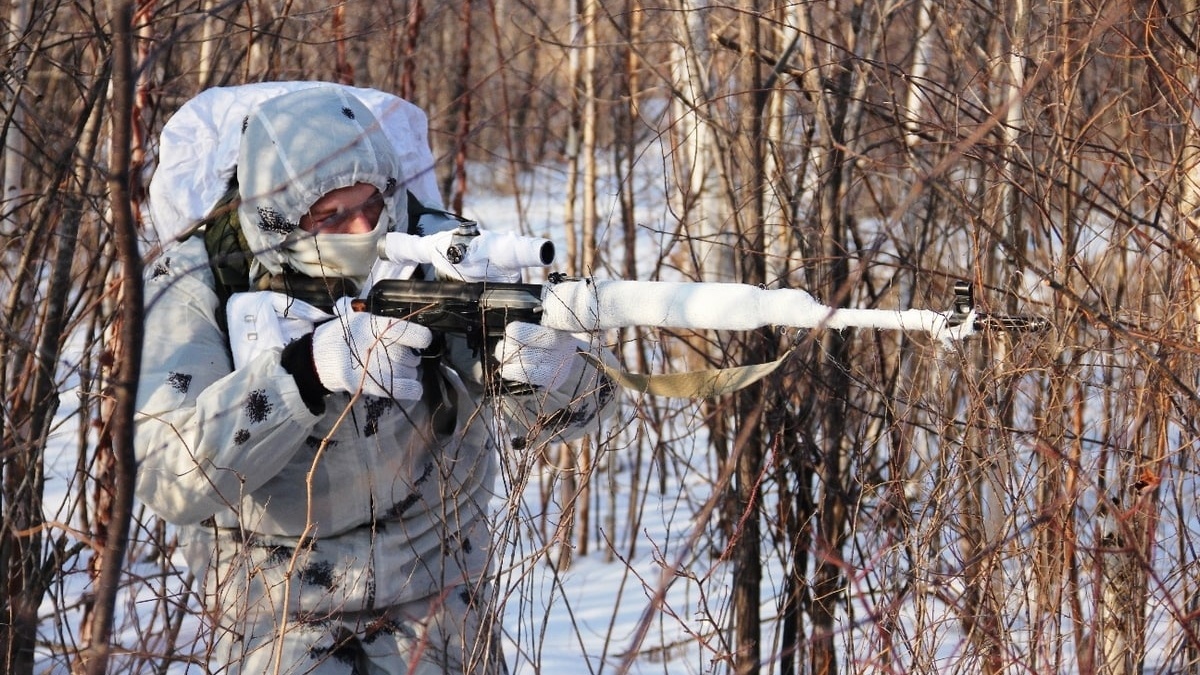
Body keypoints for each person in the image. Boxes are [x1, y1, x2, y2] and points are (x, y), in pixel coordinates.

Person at [134, 84, 618, 674]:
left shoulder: (434, 248)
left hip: (437, 582)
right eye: (332, 215)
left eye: (373, 203)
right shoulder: (197, 280)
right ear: (279, 217)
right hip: (277, 601)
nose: (365, 227)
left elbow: (590, 409)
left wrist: (549, 369)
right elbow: (168, 478)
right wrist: (305, 373)